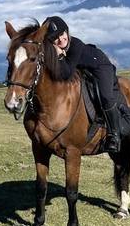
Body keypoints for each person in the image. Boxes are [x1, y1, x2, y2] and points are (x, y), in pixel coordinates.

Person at [43, 16, 121, 153]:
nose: (61, 39)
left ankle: (114, 134)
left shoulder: (76, 45)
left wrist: (60, 56)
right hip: (82, 70)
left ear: (67, 31)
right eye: (56, 38)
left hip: (99, 65)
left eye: (62, 34)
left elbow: (66, 72)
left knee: (106, 96)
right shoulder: (54, 50)